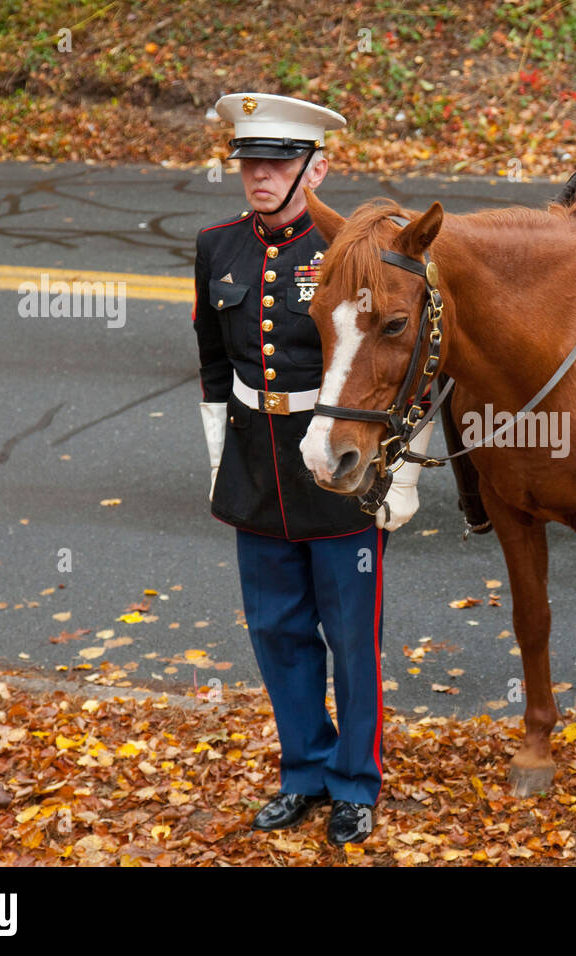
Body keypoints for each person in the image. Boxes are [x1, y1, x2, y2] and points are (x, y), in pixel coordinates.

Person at [192, 92, 433, 845]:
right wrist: (217, 461)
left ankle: (355, 782)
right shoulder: (217, 246)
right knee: (276, 629)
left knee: (351, 637)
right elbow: (209, 365)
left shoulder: (354, 250)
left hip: (340, 464)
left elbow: (405, 365)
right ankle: (303, 771)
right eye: (249, 163)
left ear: (316, 167)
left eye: (278, 163)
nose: (259, 176)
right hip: (255, 465)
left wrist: (402, 475)